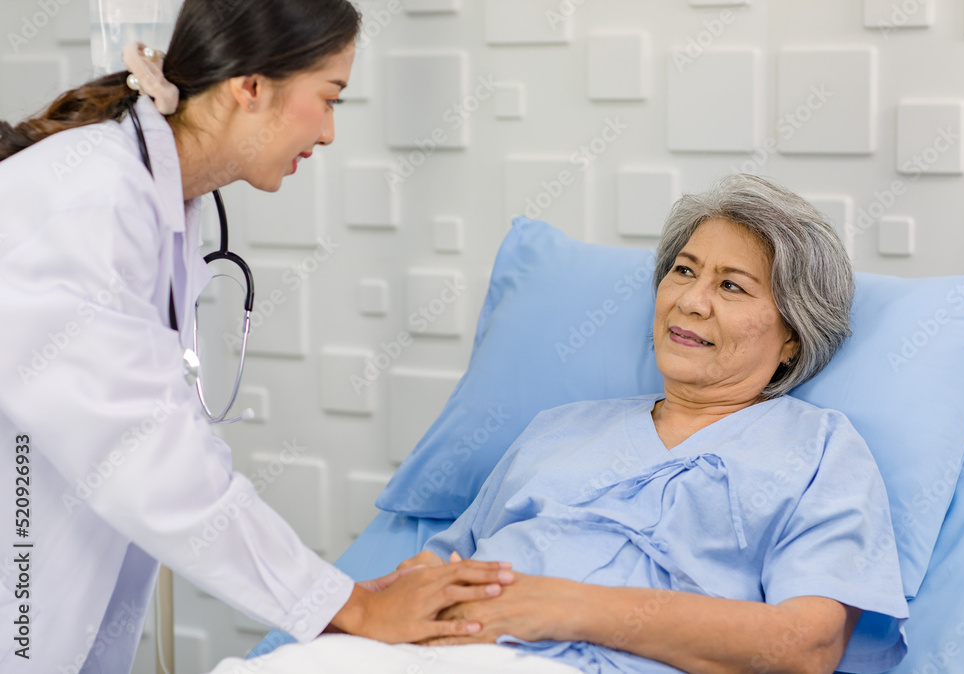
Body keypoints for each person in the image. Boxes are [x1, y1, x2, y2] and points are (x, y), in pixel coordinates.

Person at [209, 174, 909, 674]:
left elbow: (805, 648)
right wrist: (413, 587)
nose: (691, 301)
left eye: (731, 285)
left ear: (793, 335)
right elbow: (446, 565)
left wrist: (561, 608)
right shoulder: (561, 428)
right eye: (683, 271)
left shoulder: (819, 451)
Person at [0, 1, 512, 671]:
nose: (328, 133)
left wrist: (339, 596)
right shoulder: (90, 198)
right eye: (328, 98)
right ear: (251, 87)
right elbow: (141, 450)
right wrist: (343, 605)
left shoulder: (161, 205)